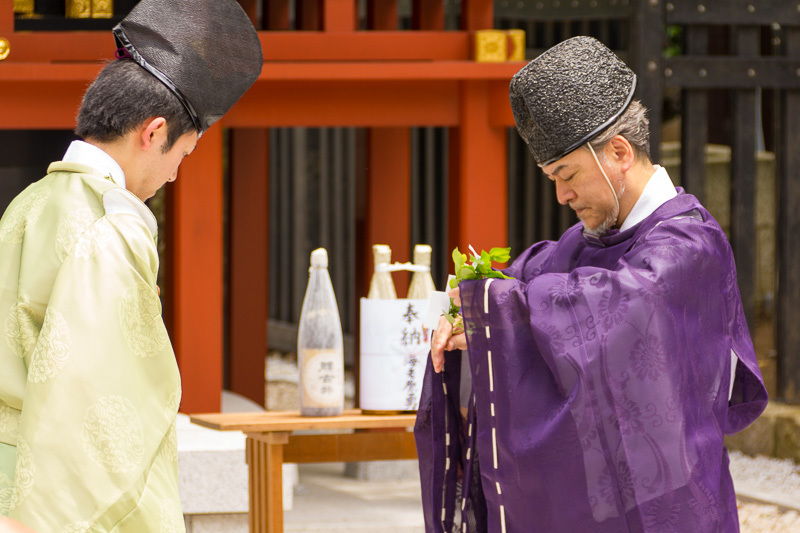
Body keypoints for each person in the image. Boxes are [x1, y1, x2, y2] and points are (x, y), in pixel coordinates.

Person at [416, 36, 767, 532]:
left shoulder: (690, 244)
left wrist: (492, 308)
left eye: (567, 174)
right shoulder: (581, 244)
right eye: (552, 178)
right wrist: (462, 317)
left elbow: (624, 299)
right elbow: (521, 282)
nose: (562, 195)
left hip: (674, 507)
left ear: (619, 152)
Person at [0, 0, 262, 530]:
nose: (171, 176)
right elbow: (104, 394)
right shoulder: (109, 226)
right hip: (51, 499)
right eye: (181, 157)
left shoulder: (26, 205)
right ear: (153, 131)